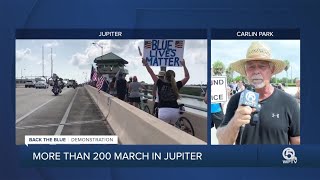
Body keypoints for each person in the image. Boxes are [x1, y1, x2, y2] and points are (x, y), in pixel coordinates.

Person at [216, 41, 300, 145]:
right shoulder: (236, 100)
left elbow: (297, 142)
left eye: (262, 66)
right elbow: (222, 142)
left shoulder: (289, 102)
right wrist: (234, 122)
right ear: (246, 71)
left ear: (272, 70)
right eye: (251, 67)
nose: (256, 71)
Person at [142, 58, 189, 125]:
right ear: (174, 77)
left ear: (165, 77)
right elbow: (187, 77)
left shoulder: (160, 83)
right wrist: (184, 65)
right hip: (175, 112)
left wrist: (146, 64)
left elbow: (151, 72)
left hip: (163, 112)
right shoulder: (177, 85)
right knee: (173, 128)